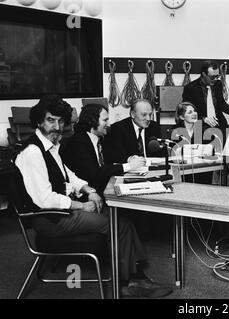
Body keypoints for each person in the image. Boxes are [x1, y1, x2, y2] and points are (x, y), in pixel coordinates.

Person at [15, 95, 172, 298]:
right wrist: (80, 206)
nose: (57, 126)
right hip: (50, 219)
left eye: (60, 121)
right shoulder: (33, 153)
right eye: (50, 120)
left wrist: (88, 190)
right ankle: (128, 283)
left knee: (121, 219)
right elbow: (44, 199)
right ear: (39, 121)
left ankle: (135, 272)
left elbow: (68, 174)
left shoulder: (50, 146)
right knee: (119, 225)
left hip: (60, 212)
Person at [60, 103, 146, 194]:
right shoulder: (78, 143)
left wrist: (129, 159)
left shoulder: (100, 139)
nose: (109, 124)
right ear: (92, 121)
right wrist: (128, 166)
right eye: (105, 120)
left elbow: (111, 156)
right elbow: (94, 173)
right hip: (87, 193)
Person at [182, 60, 229, 135]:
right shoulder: (190, 88)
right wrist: (204, 119)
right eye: (212, 77)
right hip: (200, 125)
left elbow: (221, 103)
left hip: (219, 124)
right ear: (204, 74)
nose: (216, 79)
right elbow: (186, 111)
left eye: (217, 76)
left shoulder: (218, 84)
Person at [103, 99, 163, 164]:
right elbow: (115, 156)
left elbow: (160, 153)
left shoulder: (154, 127)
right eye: (144, 115)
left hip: (151, 169)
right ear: (132, 114)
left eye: (150, 114)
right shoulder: (118, 129)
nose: (148, 118)